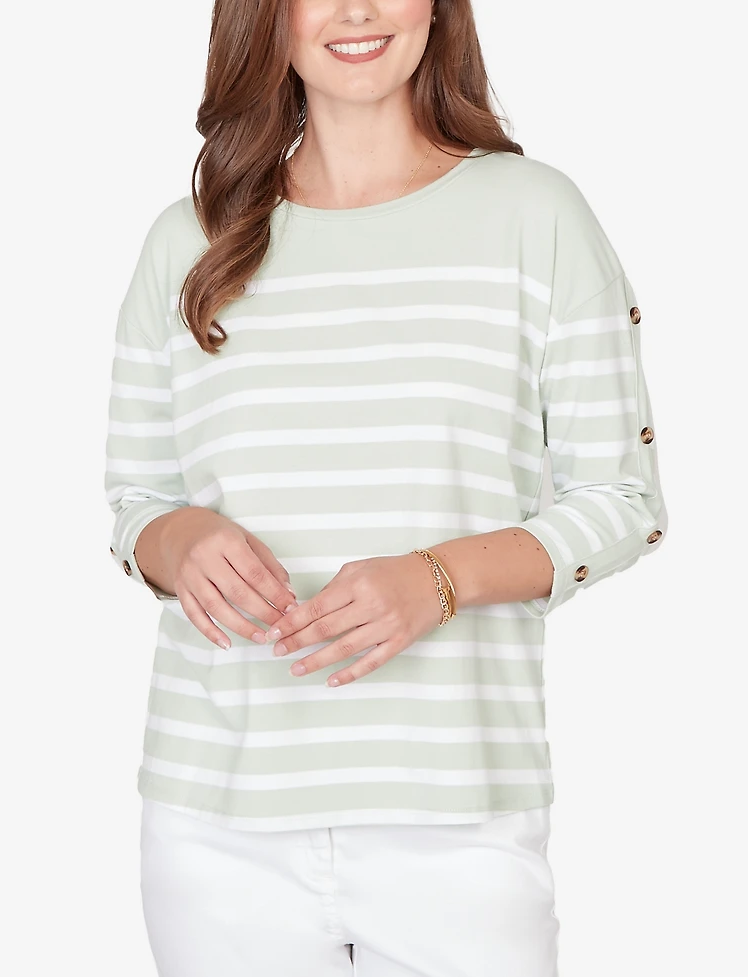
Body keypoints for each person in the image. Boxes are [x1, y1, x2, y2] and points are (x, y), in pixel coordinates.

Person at [103, 0, 668, 973]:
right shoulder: (187, 239)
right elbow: (135, 502)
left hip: (457, 811)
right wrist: (181, 539)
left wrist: (437, 578)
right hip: (215, 819)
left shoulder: (535, 215)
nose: (357, 9)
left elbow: (623, 499)